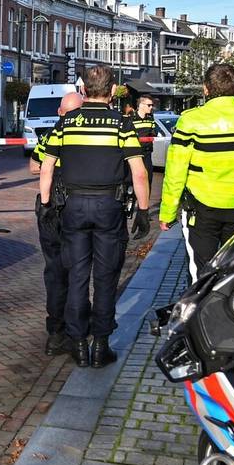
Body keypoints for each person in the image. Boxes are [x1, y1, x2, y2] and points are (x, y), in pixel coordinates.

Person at [39, 66, 151, 369]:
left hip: (73, 207)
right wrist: (143, 210)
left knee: (76, 276)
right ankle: (101, 345)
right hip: (109, 207)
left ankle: (78, 344)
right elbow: (138, 171)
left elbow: (46, 167)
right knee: (105, 277)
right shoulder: (122, 124)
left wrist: (47, 204)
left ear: (84, 89)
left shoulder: (65, 124)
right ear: (112, 90)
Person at [159, 63, 234, 280]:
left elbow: (176, 172)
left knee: (202, 271)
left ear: (206, 88)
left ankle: (201, 310)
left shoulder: (191, 120)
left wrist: (167, 212)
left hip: (202, 207)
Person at [29, 90, 84, 357]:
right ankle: (77, 333)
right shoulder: (88, 135)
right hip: (78, 207)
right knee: (79, 272)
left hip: (51, 208)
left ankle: (56, 333)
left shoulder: (51, 135)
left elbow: (34, 166)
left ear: (60, 112)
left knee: (55, 272)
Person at [129, 94, 158, 164]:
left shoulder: (150, 118)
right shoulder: (131, 118)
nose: (151, 107)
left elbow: (153, 133)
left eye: (152, 105)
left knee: (148, 174)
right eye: (149, 105)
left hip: (147, 153)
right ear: (141, 105)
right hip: (135, 154)